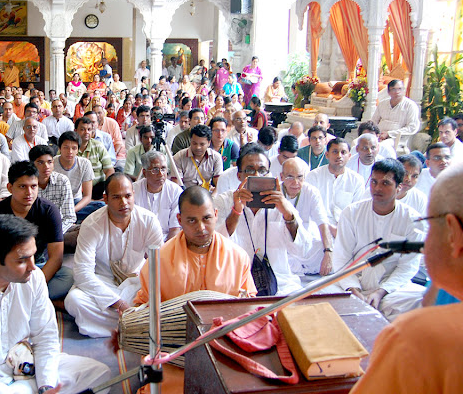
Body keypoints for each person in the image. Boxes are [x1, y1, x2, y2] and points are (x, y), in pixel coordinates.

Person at [0, 214, 111, 394]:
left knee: (97, 374)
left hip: (25, 366)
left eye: (33, 256)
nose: (32, 266)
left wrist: (46, 386)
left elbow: (46, 337)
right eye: (22, 260)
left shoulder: (34, 278)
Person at [349, 163, 463, 394]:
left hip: (393, 290)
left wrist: (382, 291)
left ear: (453, 233)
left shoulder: (415, 336)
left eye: (430, 226)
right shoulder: (353, 212)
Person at [133, 185, 256, 394]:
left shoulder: (238, 257)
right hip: (174, 352)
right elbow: (143, 313)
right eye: (192, 220)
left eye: (207, 218)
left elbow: (249, 306)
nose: (201, 228)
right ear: (179, 220)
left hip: (225, 348)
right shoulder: (159, 261)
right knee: (160, 388)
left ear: (216, 215)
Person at [64, 173, 164, 337]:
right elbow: (82, 273)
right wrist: (119, 304)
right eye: (116, 197)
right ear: (106, 199)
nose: (123, 202)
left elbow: (160, 265)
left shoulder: (148, 220)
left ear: (134, 195)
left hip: (136, 281)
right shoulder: (92, 224)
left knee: (159, 299)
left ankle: (124, 323)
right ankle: (136, 323)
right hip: (102, 281)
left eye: (128, 196)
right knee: (74, 300)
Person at [214, 144, 312, 295]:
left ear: (269, 174)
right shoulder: (224, 201)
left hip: (279, 283)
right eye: (249, 170)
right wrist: (236, 211)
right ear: (239, 175)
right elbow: (216, 247)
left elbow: (303, 251)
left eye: (262, 170)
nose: (257, 175)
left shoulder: (281, 203)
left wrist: (287, 214)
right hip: (236, 282)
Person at [334, 159, 424, 319]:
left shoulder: (412, 220)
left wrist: (381, 292)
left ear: (399, 188)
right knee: (316, 297)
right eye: (374, 181)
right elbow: (341, 259)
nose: (377, 188)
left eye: (385, 183)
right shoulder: (351, 213)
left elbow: (408, 266)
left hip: (390, 288)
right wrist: (354, 290)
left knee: (422, 299)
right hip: (352, 283)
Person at [0, 161, 72, 301]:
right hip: (8, 268)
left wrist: (38, 285)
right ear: (10, 187)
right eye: (22, 186)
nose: (29, 192)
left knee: (69, 276)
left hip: (38, 267)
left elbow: (56, 257)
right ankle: (34, 300)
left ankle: (23, 298)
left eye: (33, 186)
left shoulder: (49, 211)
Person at [279, 158, 334, 276]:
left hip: (304, 241)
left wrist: (328, 252)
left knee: (326, 248)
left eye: (299, 177)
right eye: (290, 177)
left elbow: (322, 222)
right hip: (280, 240)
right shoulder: (275, 192)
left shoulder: (311, 191)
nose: (295, 182)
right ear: (281, 177)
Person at [306, 138, 365, 236]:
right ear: (327, 155)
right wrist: (329, 228)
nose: (339, 156)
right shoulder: (313, 176)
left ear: (349, 156)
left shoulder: (357, 180)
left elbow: (356, 212)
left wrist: (341, 230)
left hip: (346, 229)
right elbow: (309, 209)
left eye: (343, 152)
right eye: (335, 152)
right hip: (316, 228)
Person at [133, 150, 182, 241]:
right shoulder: (134, 190)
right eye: (155, 169)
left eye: (163, 169)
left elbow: (175, 229)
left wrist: (164, 252)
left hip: (167, 240)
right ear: (144, 173)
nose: (161, 174)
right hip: (140, 240)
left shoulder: (175, 191)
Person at [29, 145, 77, 235]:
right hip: (34, 233)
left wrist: (54, 234)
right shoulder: (28, 184)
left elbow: (69, 217)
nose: (46, 166)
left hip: (58, 229)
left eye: (49, 162)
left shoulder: (62, 180)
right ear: (32, 164)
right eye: (40, 162)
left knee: (82, 232)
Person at [53, 131, 98, 222]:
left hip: (76, 202)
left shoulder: (85, 164)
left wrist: (72, 211)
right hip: (57, 202)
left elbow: (87, 196)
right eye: (66, 148)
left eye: (74, 148)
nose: (70, 152)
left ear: (78, 150)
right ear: (59, 148)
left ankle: (70, 219)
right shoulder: (52, 163)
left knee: (100, 206)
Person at [172, 124, 223, 191]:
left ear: (209, 143)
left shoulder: (216, 157)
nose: (198, 147)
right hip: (185, 194)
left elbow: (219, 185)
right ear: (190, 141)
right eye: (194, 143)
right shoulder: (179, 157)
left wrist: (212, 197)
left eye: (202, 144)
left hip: (207, 195)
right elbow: (176, 186)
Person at [371, 79, 420, 148]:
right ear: (388, 92)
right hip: (378, 135)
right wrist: (375, 134)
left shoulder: (410, 105)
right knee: (358, 142)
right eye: (393, 89)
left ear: (403, 90)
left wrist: (389, 134)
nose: (397, 92)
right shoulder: (382, 104)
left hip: (395, 138)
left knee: (381, 146)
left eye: (400, 89)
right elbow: (374, 121)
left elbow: (412, 127)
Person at [76, 116, 114, 199]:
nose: (86, 132)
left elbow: (109, 170)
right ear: (75, 131)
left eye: (89, 130)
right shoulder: (70, 147)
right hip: (76, 189)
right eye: (82, 129)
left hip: (97, 188)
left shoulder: (98, 146)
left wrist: (107, 190)